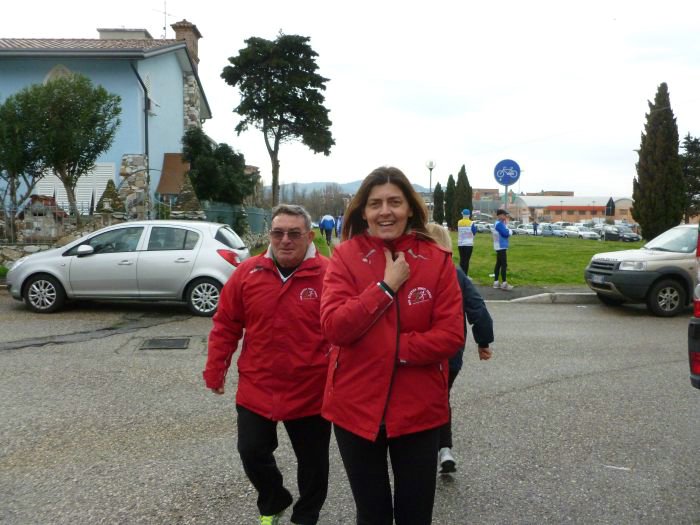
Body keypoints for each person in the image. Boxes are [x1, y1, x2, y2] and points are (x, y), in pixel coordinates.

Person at [320, 166, 465, 525]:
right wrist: (385, 288)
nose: (385, 211)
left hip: (419, 409)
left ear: (410, 208)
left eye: (394, 202)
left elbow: (450, 336)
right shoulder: (344, 257)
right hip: (355, 406)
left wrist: (388, 350)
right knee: (372, 515)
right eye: (375, 204)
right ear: (363, 211)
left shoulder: (437, 260)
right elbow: (335, 327)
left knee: (416, 515)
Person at [203, 204, 331, 525]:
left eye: (294, 233)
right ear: (270, 235)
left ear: (309, 237)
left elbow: (347, 330)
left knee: (313, 463)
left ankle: (306, 516)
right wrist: (216, 369)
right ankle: (274, 499)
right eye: (278, 233)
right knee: (251, 451)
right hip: (258, 386)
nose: (285, 240)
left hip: (311, 390)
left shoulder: (329, 275)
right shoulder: (248, 273)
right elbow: (226, 324)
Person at [426, 223, 494, 474]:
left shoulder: (413, 272)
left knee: (424, 398)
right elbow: (477, 308)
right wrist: (483, 342)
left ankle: (428, 447)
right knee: (441, 396)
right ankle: (444, 449)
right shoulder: (457, 274)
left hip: (422, 351)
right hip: (451, 353)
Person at [492, 208, 514, 290]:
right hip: (501, 246)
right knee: (504, 265)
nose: (505, 216)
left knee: (498, 264)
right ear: (500, 215)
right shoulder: (499, 224)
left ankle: (496, 282)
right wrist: (510, 231)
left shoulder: (498, 223)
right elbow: (505, 234)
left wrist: (506, 228)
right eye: (504, 215)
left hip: (498, 246)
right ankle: (504, 283)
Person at [457, 208, 477, 277]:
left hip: (460, 244)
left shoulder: (459, 222)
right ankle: (465, 275)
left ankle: (460, 275)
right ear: (469, 215)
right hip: (468, 244)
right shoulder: (471, 223)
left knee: (462, 260)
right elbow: (474, 232)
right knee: (466, 260)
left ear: (462, 214)